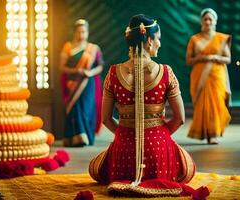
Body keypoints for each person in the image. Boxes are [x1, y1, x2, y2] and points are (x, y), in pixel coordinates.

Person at [88, 14, 209, 198]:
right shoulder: (166, 72)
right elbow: (180, 118)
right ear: (149, 40)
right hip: (158, 150)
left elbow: (105, 119)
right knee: (186, 169)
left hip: (123, 151)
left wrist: (125, 133)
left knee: (96, 170)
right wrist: (160, 134)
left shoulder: (113, 73)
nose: (159, 43)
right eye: (158, 39)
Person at [186, 8, 232, 144]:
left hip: (217, 76)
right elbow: (189, 60)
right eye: (205, 19)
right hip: (199, 76)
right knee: (202, 105)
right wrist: (200, 58)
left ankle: (214, 134)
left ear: (215, 21)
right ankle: (204, 133)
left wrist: (214, 57)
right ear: (201, 21)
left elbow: (228, 59)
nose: (207, 22)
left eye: (210, 19)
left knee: (216, 104)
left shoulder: (221, 38)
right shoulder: (194, 39)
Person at [60, 19, 103, 147]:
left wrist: (90, 73)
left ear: (88, 32)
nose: (81, 34)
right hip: (72, 83)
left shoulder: (93, 48)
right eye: (78, 32)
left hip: (88, 83)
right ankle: (75, 138)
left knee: (87, 108)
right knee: (74, 108)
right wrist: (75, 70)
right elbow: (61, 67)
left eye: (83, 31)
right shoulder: (68, 47)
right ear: (74, 32)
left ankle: (86, 136)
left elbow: (100, 66)